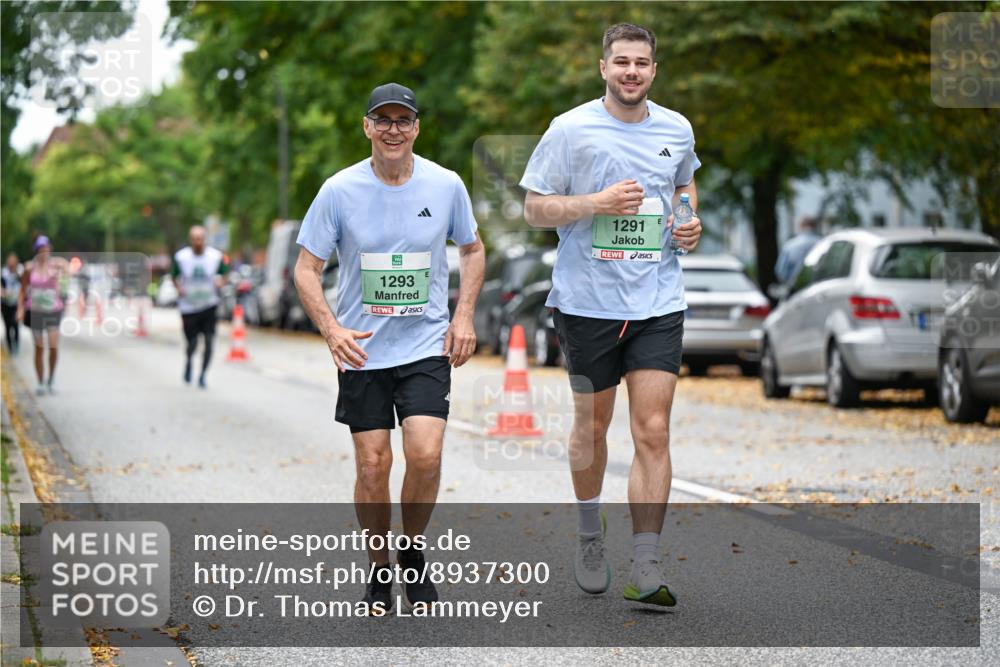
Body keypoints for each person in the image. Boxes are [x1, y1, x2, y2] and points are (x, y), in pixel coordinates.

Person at [520, 23, 703, 607]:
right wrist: (595, 204)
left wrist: (688, 223)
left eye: (642, 63)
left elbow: (684, 188)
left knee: (652, 430)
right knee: (592, 429)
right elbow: (534, 208)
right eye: (621, 62)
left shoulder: (676, 128)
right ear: (603, 68)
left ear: (654, 70)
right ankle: (588, 531)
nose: (631, 72)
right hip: (586, 304)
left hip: (657, 301)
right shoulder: (570, 130)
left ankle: (646, 562)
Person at [295, 82, 485, 615]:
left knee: (425, 454)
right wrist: (332, 329)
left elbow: (472, 250)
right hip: (363, 349)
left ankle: (412, 550)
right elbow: (306, 269)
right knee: (373, 465)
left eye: (403, 120)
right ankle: (380, 568)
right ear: (367, 127)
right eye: (384, 120)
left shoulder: (445, 185)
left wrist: (463, 315)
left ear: (417, 128)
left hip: (425, 344)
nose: (393, 130)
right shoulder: (339, 189)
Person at [171, 226, 228, 388]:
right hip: (188, 306)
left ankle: (203, 375)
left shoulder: (215, 256)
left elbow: (225, 273)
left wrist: (221, 282)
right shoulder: (181, 258)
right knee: (193, 342)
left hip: (209, 304)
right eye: (195, 238)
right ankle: (189, 360)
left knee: (209, 341)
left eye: (201, 238)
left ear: (205, 239)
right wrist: (178, 287)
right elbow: (174, 276)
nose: (198, 241)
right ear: (191, 240)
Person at [17, 236, 70, 395]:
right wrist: (20, 309)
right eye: (40, 249)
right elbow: (22, 290)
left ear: (49, 249)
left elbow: (68, 272)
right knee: (39, 348)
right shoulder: (29, 268)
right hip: (35, 311)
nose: (43, 251)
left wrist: (64, 268)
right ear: (36, 250)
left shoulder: (56, 265)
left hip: (53, 310)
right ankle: (40, 381)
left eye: (46, 248)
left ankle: (51, 378)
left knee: (53, 346)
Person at [774, 217, 822, 284]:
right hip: (820, 287)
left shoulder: (789, 245)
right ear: (815, 226)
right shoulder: (824, 243)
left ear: (800, 226)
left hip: (795, 289)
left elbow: (780, 272)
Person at [2, 253, 21, 353]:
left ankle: (16, 344)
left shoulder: (20, 272)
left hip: (16, 303)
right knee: (8, 325)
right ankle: (10, 347)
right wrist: (3, 292)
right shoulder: (3, 273)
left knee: (15, 324)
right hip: (5, 303)